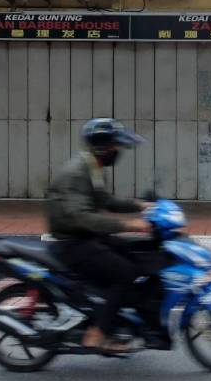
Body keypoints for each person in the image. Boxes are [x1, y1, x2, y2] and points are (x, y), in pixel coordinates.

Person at [45, 118, 168, 353]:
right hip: (73, 244)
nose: (119, 150)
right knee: (125, 272)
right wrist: (132, 225)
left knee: (134, 253)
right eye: (115, 146)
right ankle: (96, 333)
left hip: (85, 237)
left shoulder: (91, 167)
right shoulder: (77, 173)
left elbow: (106, 201)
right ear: (103, 147)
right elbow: (84, 218)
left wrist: (141, 206)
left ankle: (124, 316)